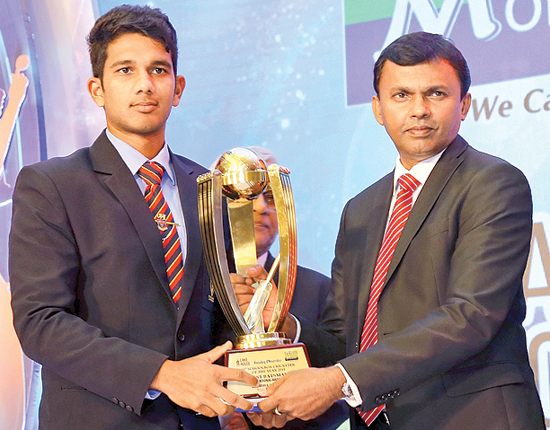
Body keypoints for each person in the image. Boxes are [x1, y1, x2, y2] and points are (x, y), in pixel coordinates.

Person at [233, 32, 545, 429]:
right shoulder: (360, 209)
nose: (418, 110)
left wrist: (338, 381)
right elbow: (343, 339)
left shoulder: (493, 183)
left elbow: (471, 315)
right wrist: (282, 319)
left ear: (464, 104)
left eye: (436, 94)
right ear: (378, 108)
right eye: (401, 96)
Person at [9, 5, 257, 430]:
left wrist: (255, 376)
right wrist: (162, 374)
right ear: (97, 89)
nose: (145, 85)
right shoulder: (51, 185)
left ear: (177, 88)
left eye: (158, 70)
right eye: (125, 70)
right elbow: (40, 322)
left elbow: (216, 319)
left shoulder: (210, 187)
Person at [218, 147, 349, 430]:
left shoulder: (318, 289)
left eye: (270, 198)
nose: (260, 208)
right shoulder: (190, 287)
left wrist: (286, 325)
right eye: (248, 196)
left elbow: (345, 374)